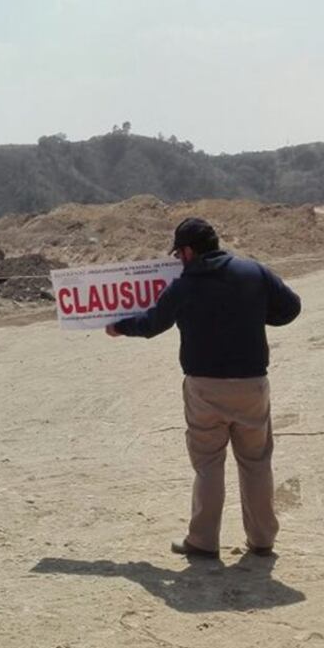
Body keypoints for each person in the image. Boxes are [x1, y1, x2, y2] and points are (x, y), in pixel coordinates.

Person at [105, 218, 301, 558]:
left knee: (209, 463)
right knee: (256, 462)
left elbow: (152, 324)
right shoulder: (253, 272)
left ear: (188, 251)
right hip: (252, 384)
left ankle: (203, 541)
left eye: (179, 254)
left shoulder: (183, 287)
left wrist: (119, 327)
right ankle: (262, 539)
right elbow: (291, 307)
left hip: (204, 388)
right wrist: (253, 313)